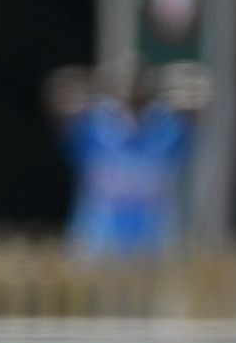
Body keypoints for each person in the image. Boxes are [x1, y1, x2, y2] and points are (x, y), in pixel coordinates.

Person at [46, 57, 210, 258]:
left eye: (138, 83)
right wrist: (77, 91)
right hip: (99, 241)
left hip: (153, 243)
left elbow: (195, 114)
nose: (131, 90)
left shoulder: (166, 129)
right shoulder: (94, 128)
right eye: (124, 83)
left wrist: (187, 91)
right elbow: (61, 113)